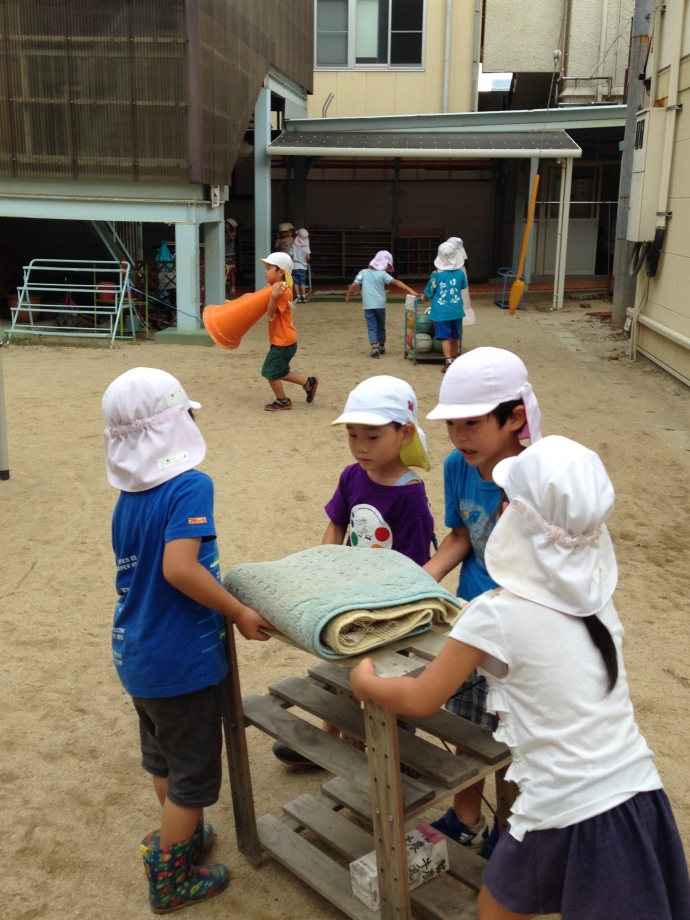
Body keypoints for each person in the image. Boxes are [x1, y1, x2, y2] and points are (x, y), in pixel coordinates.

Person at [350, 435, 690, 920]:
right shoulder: (595, 600)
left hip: (567, 809)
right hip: (639, 794)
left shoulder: (495, 615)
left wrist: (365, 682)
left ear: (512, 512)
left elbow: (421, 696)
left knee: (497, 909)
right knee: (499, 902)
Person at [102, 367, 272, 913]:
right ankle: (172, 879)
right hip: (181, 663)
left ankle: (183, 840)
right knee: (192, 777)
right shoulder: (190, 486)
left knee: (164, 762)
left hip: (138, 654)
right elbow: (180, 569)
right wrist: (240, 610)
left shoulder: (128, 499)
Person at [272, 374, 435, 767]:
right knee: (340, 665)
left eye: (373, 436)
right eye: (353, 435)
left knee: (388, 678)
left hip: (390, 607)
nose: (360, 447)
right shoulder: (351, 476)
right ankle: (330, 736)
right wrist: (324, 568)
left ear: (405, 433)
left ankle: (395, 754)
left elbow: (412, 564)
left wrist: (385, 608)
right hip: (349, 594)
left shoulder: (410, 495)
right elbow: (337, 525)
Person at [423, 347, 543, 856]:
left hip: (522, 634)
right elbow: (463, 535)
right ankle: (468, 816)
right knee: (466, 727)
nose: (458, 436)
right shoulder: (458, 463)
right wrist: (419, 581)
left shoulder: (543, 476)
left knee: (514, 740)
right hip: (470, 619)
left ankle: (512, 835)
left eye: (470, 423)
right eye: (451, 424)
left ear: (515, 417)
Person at [260, 251, 318, 411]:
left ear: (280, 272)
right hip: (283, 340)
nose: (265, 271)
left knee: (270, 372)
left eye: (269, 268)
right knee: (281, 371)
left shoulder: (283, 291)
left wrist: (273, 297)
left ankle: (283, 401)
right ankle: (309, 383)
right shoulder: (275, 288)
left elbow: (272, 312)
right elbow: (254, 298)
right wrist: (235, 304)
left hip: (283, 342)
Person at [345, 251, 418, 358]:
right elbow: (396, 282)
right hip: (380, 305)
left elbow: (353, 285)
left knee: (372, 327)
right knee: (381, 326)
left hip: (368, 305)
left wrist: (348, 296)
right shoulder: (383, 274)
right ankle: (382, 345)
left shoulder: (363, 272)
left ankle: (374, 348)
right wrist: (410, 290)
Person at [422, 241, 467, 373]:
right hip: (456, 310)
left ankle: (448, 362)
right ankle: (454, 358)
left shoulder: (436, 274)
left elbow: (429, 292)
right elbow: (463, 286)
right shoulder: (460, 273)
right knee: (455, 336)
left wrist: (423, 298)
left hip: (441, 312)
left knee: (444, 337)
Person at [292, 228, 311, 303]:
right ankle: (303, 295)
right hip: (302, 266)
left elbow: (290, 254)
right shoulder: (306, 247)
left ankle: (297, 295)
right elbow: (308, 257)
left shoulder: (294, 245)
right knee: (302, 281)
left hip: (294, 266)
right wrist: (304, 260)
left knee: (295, 282)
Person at [224, 218, 237, 296]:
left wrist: (228, 230)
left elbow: (232, 239)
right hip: (223, 255)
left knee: (231, 271)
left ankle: (233, 287)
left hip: (230, 255)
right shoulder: (223, 233)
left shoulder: (233, 233)